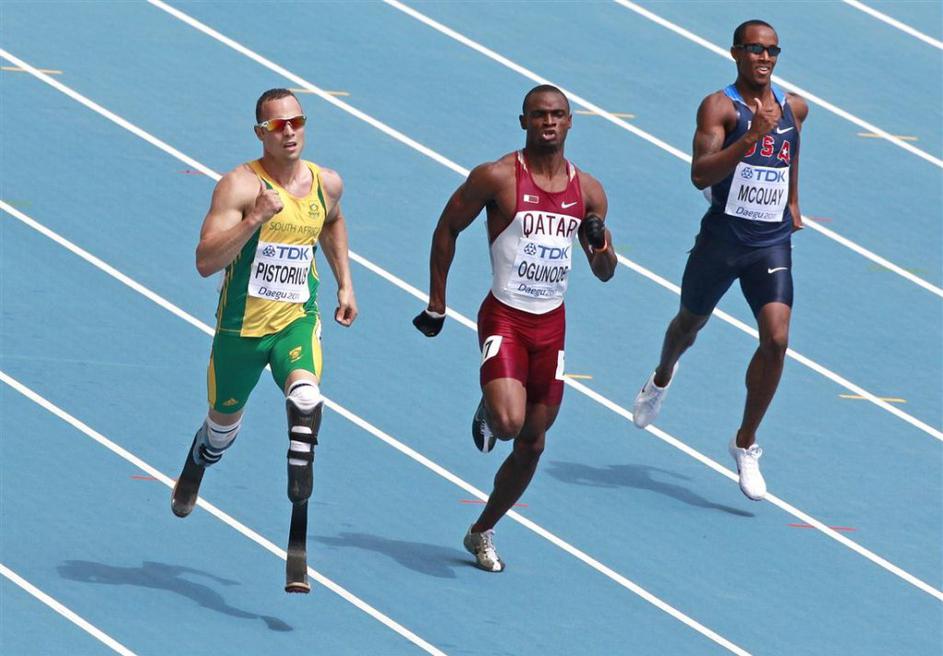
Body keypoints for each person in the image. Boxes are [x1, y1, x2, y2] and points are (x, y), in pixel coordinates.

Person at [413, 85, 617, 572]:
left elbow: (605, 272)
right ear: (523, 121)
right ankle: (491, 406)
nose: (549, 122)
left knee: (533, 442)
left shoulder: (588, 192)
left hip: (552, 326)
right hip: (505, 316)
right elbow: (447, 227)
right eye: (539, 115)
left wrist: (601, 246)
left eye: (558, 114)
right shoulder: (498, 177)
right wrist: (437, 303)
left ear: (571, 122)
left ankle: (481, 530)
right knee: (508, 423)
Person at [170, 88, 357, 592]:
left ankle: (299, 486)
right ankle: (199, 459)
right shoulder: (238, 186)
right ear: (260, 133)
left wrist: (345, 282)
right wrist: (254, 218)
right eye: (278, 125)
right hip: (242, 331)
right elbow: (205, 262)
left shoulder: (326, 182)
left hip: (296, 320)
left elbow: (332, 221)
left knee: (307, 397)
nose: (289, 131)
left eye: (297, 121)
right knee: (221, 432)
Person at [631, 20, 808, 501]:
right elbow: (699, 174)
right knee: (688, 325)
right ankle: (661, 376)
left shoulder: (794, 107)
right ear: (735, 53)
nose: (764, 58)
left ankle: (745, 443)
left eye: (772, 50)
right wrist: (750, 139)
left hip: (770, 242)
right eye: (754, 49)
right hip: (723, 241)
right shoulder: (719, 107)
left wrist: (793, 201)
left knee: (777, 340)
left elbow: (791, 150)